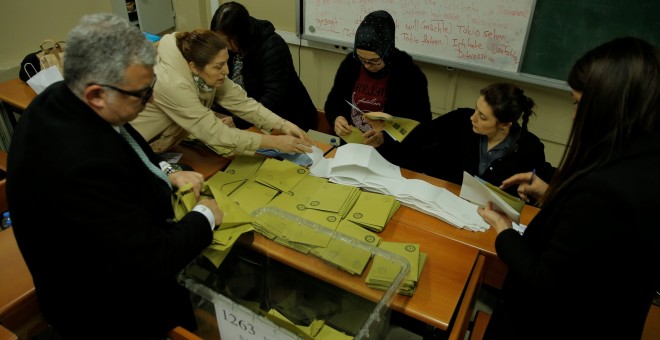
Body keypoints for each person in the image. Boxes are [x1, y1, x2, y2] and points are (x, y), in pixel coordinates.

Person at [7, 13, 224, 338]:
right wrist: (205, 215)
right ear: (96, 93)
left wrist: (166, 173)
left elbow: (125, 142)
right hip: (101, 308)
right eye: (141, 94)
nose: (149, 99)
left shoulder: (65, 98)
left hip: (100, 258)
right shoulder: (81, 163)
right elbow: (153, 258)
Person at [477, 37, 660, 339]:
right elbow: (601, 238)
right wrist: (551, 194)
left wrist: (503, 228)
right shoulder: (645, 159)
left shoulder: (605, 188)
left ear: (610, 106)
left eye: (578, 103)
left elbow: (544, 281)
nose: (575, 115)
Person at [130, 28, 312, 159]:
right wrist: (275, 143)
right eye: (218, 66)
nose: (226, 71)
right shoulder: (170, 82)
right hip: (135, 149)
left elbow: (242, 102)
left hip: (161, 143)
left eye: (226, 62)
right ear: (194, 67)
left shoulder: (200, 65)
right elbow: (215, 133)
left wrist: (283, 124)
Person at [324, 10, 432, 169]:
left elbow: (421, 126)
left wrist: (385, 138)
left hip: (391, 158)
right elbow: (334, 101)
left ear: (387, 51)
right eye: (362, 59)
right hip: (353, 149)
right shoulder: (351, 65)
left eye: (374, 61)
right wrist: (336, 118)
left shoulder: (410, 75)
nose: (367, 66)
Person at [415, 83, 554, 196]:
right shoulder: (460, 120)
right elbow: (420, 134)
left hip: (490, 218)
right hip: (447, 201)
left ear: (504, 124)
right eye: (476, 109)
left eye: (482, 117)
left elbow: (538, 189)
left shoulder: (529, 148)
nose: (473, 118)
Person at [210, 1, 318, 132]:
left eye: (227, 40)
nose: (225, 45)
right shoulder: (231, 49)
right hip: (253, 119)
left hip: (287, 120)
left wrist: (237, 120)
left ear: (241, 33)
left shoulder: (272, 46)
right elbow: (227, 86)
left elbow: (273, 97)